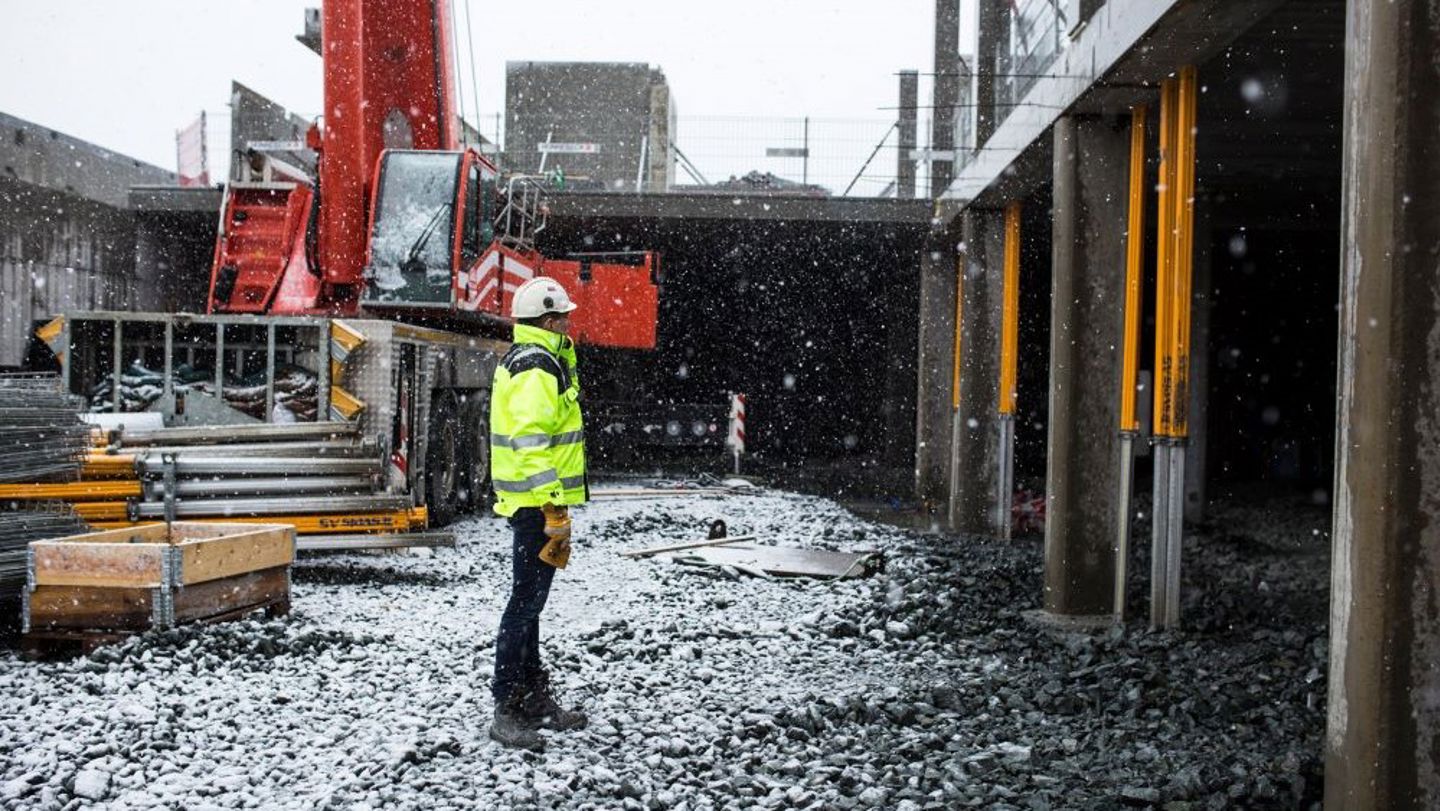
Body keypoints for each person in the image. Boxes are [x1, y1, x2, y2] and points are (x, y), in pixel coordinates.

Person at [486, 276, 590, 751]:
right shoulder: (537, 367)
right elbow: (531, 443)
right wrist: (552, 505)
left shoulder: (537, 359)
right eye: (563, 316)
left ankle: (531, 696)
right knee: (524, 605)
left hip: (536, 503)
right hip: (535, 504)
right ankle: (507, 704)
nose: (569, 322)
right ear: (549, 321)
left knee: (531, 605)